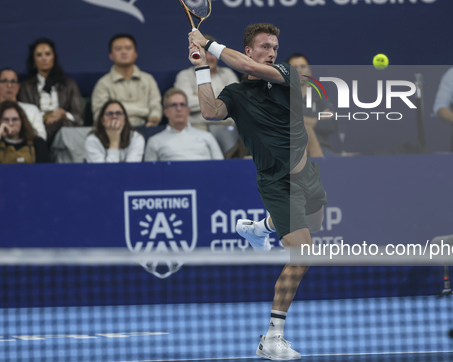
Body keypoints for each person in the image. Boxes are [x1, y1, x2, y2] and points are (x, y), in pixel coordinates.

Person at [188, 23, 327, 360]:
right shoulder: (236, 94)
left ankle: (259, 228)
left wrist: (207, 42)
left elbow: (248, 68)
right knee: (303, 255)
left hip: (306, 174)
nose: (271, 53)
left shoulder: (287, 74)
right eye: (264, 47)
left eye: (274, 48)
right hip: (277, 184)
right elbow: (209, 111)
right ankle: (272, 337)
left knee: (317, 223)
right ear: (248, 49)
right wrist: (201, 69)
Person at [18, 38, 83, 145]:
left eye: (47, 54)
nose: (44, 58)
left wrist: (63, 114)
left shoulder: (69, 84)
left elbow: (79, 119)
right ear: (33, 60)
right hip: (37, 130)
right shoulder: (26, 87)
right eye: (39, 55)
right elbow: (25, 116)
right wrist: (47, 117)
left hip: (65, 132)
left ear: (54, 57)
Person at [92, 33, 162, 127]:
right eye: (118, 49)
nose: (124, 52)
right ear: (111, 55)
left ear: (135, 54)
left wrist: (153, 121)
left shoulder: (148, 79)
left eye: (128, 48)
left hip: (145, 127)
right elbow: (99, 113)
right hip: (114, 129)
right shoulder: (103, 83)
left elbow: (156, 106)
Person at [174, 34, 239, 129]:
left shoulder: (228, 74)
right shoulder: (185, 75)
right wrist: (220, 99)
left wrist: (201, 96)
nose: (208, 57)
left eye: (211, 53)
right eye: (204, 52)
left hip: (225, 126)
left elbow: (236, 101)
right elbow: (185, 104)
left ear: (217, 54)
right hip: (196, 127)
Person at [144, 88, 223, 162]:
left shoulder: (207, 137)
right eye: (173, 105)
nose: (179, 109)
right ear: (166, 112)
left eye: (182, 104)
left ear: (188, 110)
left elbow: (221, 167)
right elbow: (150, 173)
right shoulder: (155, 141)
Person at [287, 53, 339, 157]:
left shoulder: (320, 98)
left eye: (303, 67)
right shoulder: (279, 97)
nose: (299, 70)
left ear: (309, 71)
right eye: (295, 67)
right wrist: (315, 120)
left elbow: (331, 125)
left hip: (322, 148)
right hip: (290, 149)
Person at [0, 68, 47, 141]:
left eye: (13, 81)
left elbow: (41, 138)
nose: (9, 85)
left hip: (26, 150)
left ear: (18, 87)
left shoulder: (32, 110)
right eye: (5, 81)